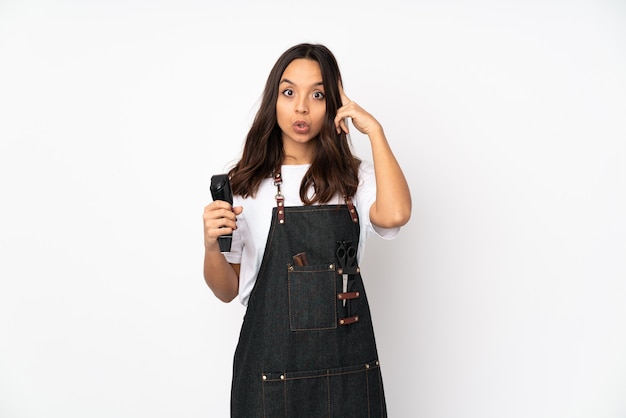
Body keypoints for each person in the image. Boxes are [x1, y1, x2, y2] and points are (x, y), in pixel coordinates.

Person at [202, 43, 411, 417]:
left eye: (317, 95)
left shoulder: (353, 180)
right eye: (289, 92)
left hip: (346, 371)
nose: (302, 107)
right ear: (274, 101)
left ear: (333, 105)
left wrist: (374, 131)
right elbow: (226, 290)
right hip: (270, 373)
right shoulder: (246, 185)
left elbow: (395, 214)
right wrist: (211, 246)